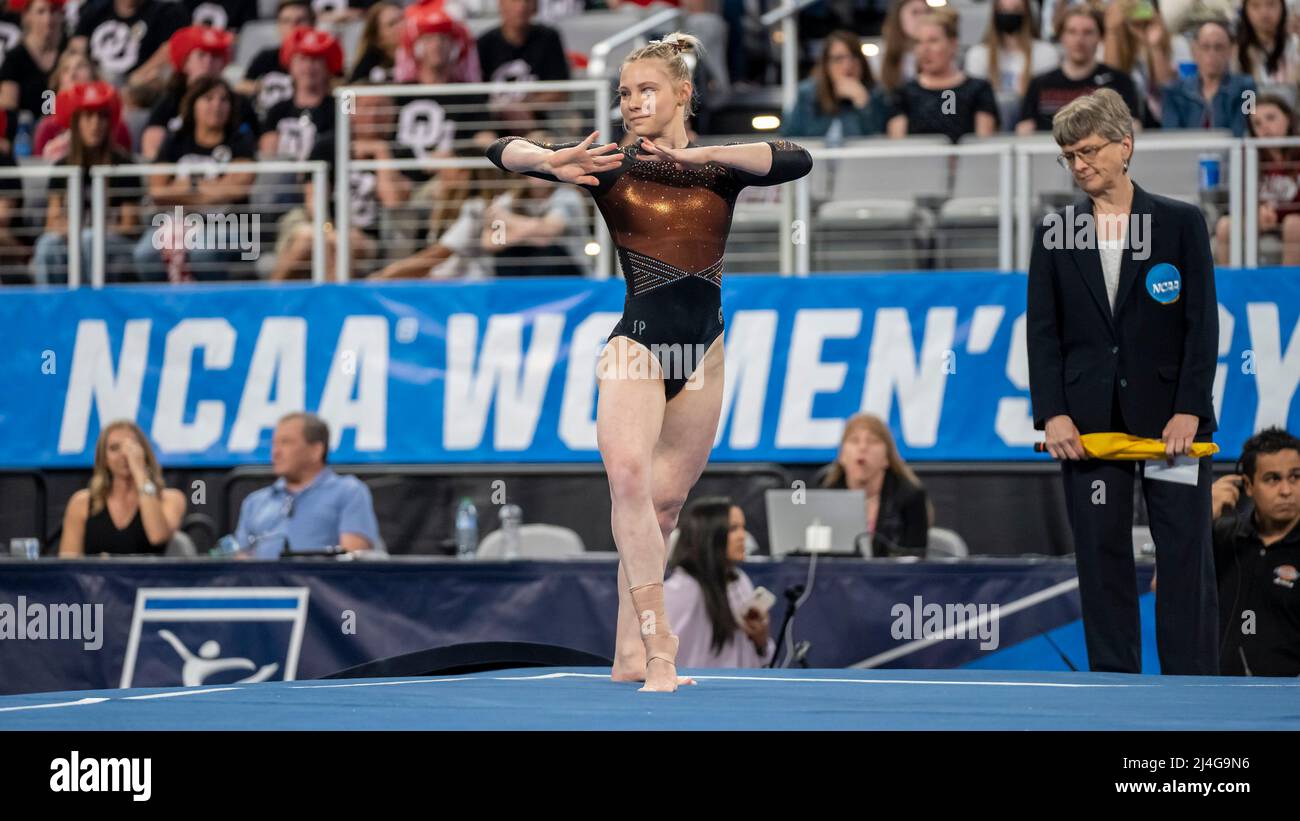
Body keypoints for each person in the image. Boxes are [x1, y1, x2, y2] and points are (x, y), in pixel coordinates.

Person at [485, 32, 811, 691]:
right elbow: (498, 149)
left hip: (706, 354)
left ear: (683, 93)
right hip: (637, 343)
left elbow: (796, 157)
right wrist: (548, 159)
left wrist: (711, 155)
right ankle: (661, 646)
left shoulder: (719, 168)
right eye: (624, 93)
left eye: (645, 90)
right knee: (628, 479)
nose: (632, 102)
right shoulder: (611, 164)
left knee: (664, 510)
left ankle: (626, 653)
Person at [1027, 88, 1219, 675]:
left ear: (1125, 146)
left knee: (1185, 553)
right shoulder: (1055, 230)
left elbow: (1201, 323)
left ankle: (1194, 689)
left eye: (1088, 151)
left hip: (1173, 420)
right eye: (1069, 156)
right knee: (1101, 555)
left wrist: (1189, 406)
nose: (1079, 165)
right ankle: (1115, 686)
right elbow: (1043, 330)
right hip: (1086, 423)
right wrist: (1052, 412)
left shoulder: (1182, 223)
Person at [134, 76, 256, 281]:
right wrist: (212, 190)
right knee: (145, 254)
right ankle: (164, 307)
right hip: (175, 222)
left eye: (224, 100)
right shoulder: (175, 141)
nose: (217, 105)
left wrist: (188, 186)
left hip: (228, 224)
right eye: (208, 99)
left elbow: (237, 190)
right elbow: (157, 191)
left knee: (202, 251)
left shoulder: (240, 141)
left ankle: (211, 308)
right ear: (193, 104)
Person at [31, 81, 141, 284]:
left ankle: (90, 305)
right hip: (72, 237)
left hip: (114, 242)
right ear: (76, 122)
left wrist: (87, 233)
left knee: (90, 239)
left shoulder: (124, 164)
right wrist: (76, 233)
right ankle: (48, 310)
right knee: (47, 244)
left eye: (102, 117)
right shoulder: (62, 166)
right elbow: (51, 223)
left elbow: (130, 225)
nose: (95, 124)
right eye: (88, 116)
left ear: (110, 123)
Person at [231, 412, 382, 558]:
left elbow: (353, 560)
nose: (275, 452)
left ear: (316, 451)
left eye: (286, 442)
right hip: (264, 584)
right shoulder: (254, 502)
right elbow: (241, 561)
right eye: (274, 443)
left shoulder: (349, 492)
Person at [1212, 427, 1300, 676]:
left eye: (1295, 477)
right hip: (1217, 699)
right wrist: (1200, 518)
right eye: (1273, 478)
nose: (1286, 490)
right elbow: (1163, 587)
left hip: (1289, 707)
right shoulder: (1222, 535)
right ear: (1248, 486)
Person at [664, 497, 773, 668]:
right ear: (708, 535)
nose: (742, 536)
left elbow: (759, 661)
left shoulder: (739, 580)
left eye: (743, 528)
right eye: (733, 529)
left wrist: (761, 642)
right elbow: (660, 657)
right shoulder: (681, 590)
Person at [58, 419, 187, 556]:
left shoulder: (171, 499)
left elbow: (157, 537)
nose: (124, 455)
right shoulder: (81, 502)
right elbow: (68, 563)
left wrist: (139, 472)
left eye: (131, 447)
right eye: (114, 448)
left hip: (151, 577)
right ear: (104, 459)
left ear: (143, 452)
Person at [1016, 4, 1141, 134]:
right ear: (1061, 36)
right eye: (1072, 31)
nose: (1079, 40)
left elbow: (1134, 127)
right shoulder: (1039, 84)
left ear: (1100, 37)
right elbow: (1024, 130)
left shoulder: (1119, 82)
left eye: (1087, 32)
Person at [818, 412, 932, 554]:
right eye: (854, 440)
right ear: (842, 456)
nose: (863, 447)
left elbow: (915, 560)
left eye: (872, 441)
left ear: (886, 458)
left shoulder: (910, 497)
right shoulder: (825, 494)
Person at [140, 24, 256, 160]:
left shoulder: (238, 102)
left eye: (215, 56)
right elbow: (152, 150)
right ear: (185, 62)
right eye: (201, 55)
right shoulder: (169, 101)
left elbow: (254, 148)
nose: (208, 63)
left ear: (223, 63)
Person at [886, 8, 999, 142]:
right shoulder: (903, 93)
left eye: (933, 41)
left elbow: (983, 143)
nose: (924, 50)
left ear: (952, 44)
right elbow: (898, 147)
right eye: (919, 42)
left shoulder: (979, 89)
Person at [1214, 93, 1300, 264]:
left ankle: (1290, 288)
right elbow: (1239, 198)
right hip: (1261, 219)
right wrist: (1257, 211)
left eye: (1271, 118)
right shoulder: (1248, 156)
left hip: (1294, 219)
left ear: (1288, 119)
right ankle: (1230, 288)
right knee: (1225, 226)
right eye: (1257, 124)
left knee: (1293, 224)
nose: (1265, 128)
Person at [69, 0, 188, 106]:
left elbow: (168, 50)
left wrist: (133, 80)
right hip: (95, 87)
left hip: (138, 97)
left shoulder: (165, 12)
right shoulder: (95, 10)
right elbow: (76, 48)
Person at [475, 0, 570, 131]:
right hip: (494, 127)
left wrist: (527, 106)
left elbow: (560, 90)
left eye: (527, 2)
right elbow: (476, 95)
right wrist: (503, 110)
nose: (521, 7)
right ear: (501, 5)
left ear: (535, 6)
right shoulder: (484, 43)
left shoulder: (548, 38)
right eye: (514, 1)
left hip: (539, 126)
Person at [781, 29, 890, 138]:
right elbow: (791, 136)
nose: (848, 65)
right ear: (826, 65)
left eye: (854, 57)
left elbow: (878, 142)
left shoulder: (876, 93)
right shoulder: (808, 93)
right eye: (839, 59)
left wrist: (863, 104)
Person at [257, 26, 339, 162]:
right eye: (302, 59)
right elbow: (268, 156)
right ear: (291, 66)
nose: (308, 67)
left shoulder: (340, 107)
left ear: (327, 67)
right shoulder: (277, 110)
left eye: (316, 60)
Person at [33, 49, 133, 160]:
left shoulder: (115, 126)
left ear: (94, 76)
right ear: (59, 82)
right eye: (65, 70)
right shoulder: (48, 127)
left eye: (80, 67)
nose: (72, 74)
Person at [1161, 19, 1256, 135]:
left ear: (1230, 51)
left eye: (1219, 47)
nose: (1212, 54)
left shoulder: (1247, 89)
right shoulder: (1173, 92)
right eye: (1205, 47)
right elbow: (1171, 136)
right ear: (1194, 51)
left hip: (1230, 152)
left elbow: (1244, 129)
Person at [1102, 0, 1188, 127]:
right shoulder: (1114, 44)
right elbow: (1111, 79)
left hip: (1166, 121)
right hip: (1127, 123)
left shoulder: (1177, 43)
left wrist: (1155, 47)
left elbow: (1166, 86)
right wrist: (1113, 31)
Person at [962, 0, 1059, 104]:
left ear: (1027, 13)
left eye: (1016, 9)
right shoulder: (978, 54)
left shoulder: (1046, 53)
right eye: (1003, 9)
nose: (1008, 14)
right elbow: (974, 100)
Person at [0, 0, 66, 148]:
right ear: (27, 16)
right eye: (41, 12)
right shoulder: (15, 59)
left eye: (53, 11)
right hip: (25, 139)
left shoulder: (68, 54)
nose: (48, 19)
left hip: (63, 135)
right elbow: (7, 109)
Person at [235, 0, 312, 118]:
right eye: (286, 21)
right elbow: (241, 86)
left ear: (312, 24)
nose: (293, 27)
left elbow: (343, 89)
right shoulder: (266, 57)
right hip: (268, 121)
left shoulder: (322, 58)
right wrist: (266, 86)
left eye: (300, 21)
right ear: (278, 26)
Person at [1236, 0, 1300, 94]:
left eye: (1271, 4)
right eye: (1256, 6)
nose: (1264, 12)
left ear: (1282, 8)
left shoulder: (1295, 47)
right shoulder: (1235, 51)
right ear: (1245, 10)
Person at [875, 0, 928, 91]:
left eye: (926, 12)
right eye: (915, 12)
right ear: (898, 17)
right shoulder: (880, 57)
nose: (922, 18)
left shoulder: (937, 53)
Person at [348, 0, 401, 83]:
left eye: (402, 19)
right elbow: (350, 91)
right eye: (392, 24)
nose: (401, 25)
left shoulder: (419, 55)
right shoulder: (368, 66)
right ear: (378, 38)